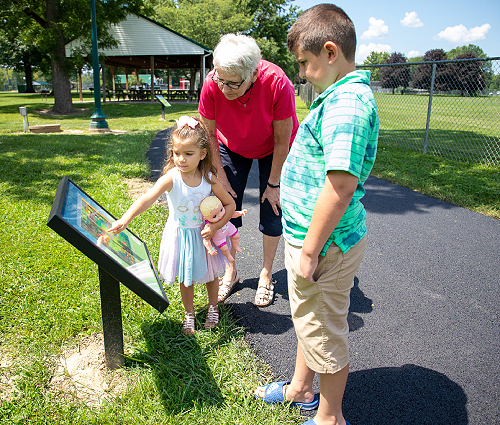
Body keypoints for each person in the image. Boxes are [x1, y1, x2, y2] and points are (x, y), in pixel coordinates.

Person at [254, 5, 379, 425]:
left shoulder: (347, 104)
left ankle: (329, 417)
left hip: (325, 244)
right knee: (310, 322)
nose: (302, 73)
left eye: (305, 63)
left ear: (330, 52)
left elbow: (340, 186)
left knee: (324, 332)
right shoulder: (338, 95)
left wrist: (309, 249)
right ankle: (300, 388)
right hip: (314, 239)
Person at [108, 116, 236, 335]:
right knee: (187, 278)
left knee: (212, 275)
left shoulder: (209, 178)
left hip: (205, 237)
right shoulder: (172, 178)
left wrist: (215, 227)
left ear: (202, 154)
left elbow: (230, 204)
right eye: (177, 153)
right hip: (181, 236)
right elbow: (147, 198)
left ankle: (213, 307)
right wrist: (125, 219)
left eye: (188, 154)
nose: (181, 159)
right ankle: (189, 314)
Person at [198, 33, 299, 307]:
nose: (225, 89)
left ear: (253, 74)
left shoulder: (278, 83)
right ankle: (231, 271)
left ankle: (266, 274)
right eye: (221, 79)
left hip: (272, 147)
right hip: (231, 144)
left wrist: (274, 183)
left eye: (233, 83)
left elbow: (282, 140)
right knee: (224, 203)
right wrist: (218, 173)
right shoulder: (212, 83)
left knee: (271, 206)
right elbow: (208, 133)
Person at [200, 195, 247, 263]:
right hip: (219, 237)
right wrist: (210, 249)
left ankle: (236, 246)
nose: (220, 215)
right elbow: (206, 239)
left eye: (221, 210)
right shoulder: (208, 225)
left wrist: (241, 213)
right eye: (214, 216)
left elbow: (233, 214)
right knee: (224, 248)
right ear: (206, 218)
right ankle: (228, 256)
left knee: (237, 236)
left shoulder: (223, 214)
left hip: (229, 228)